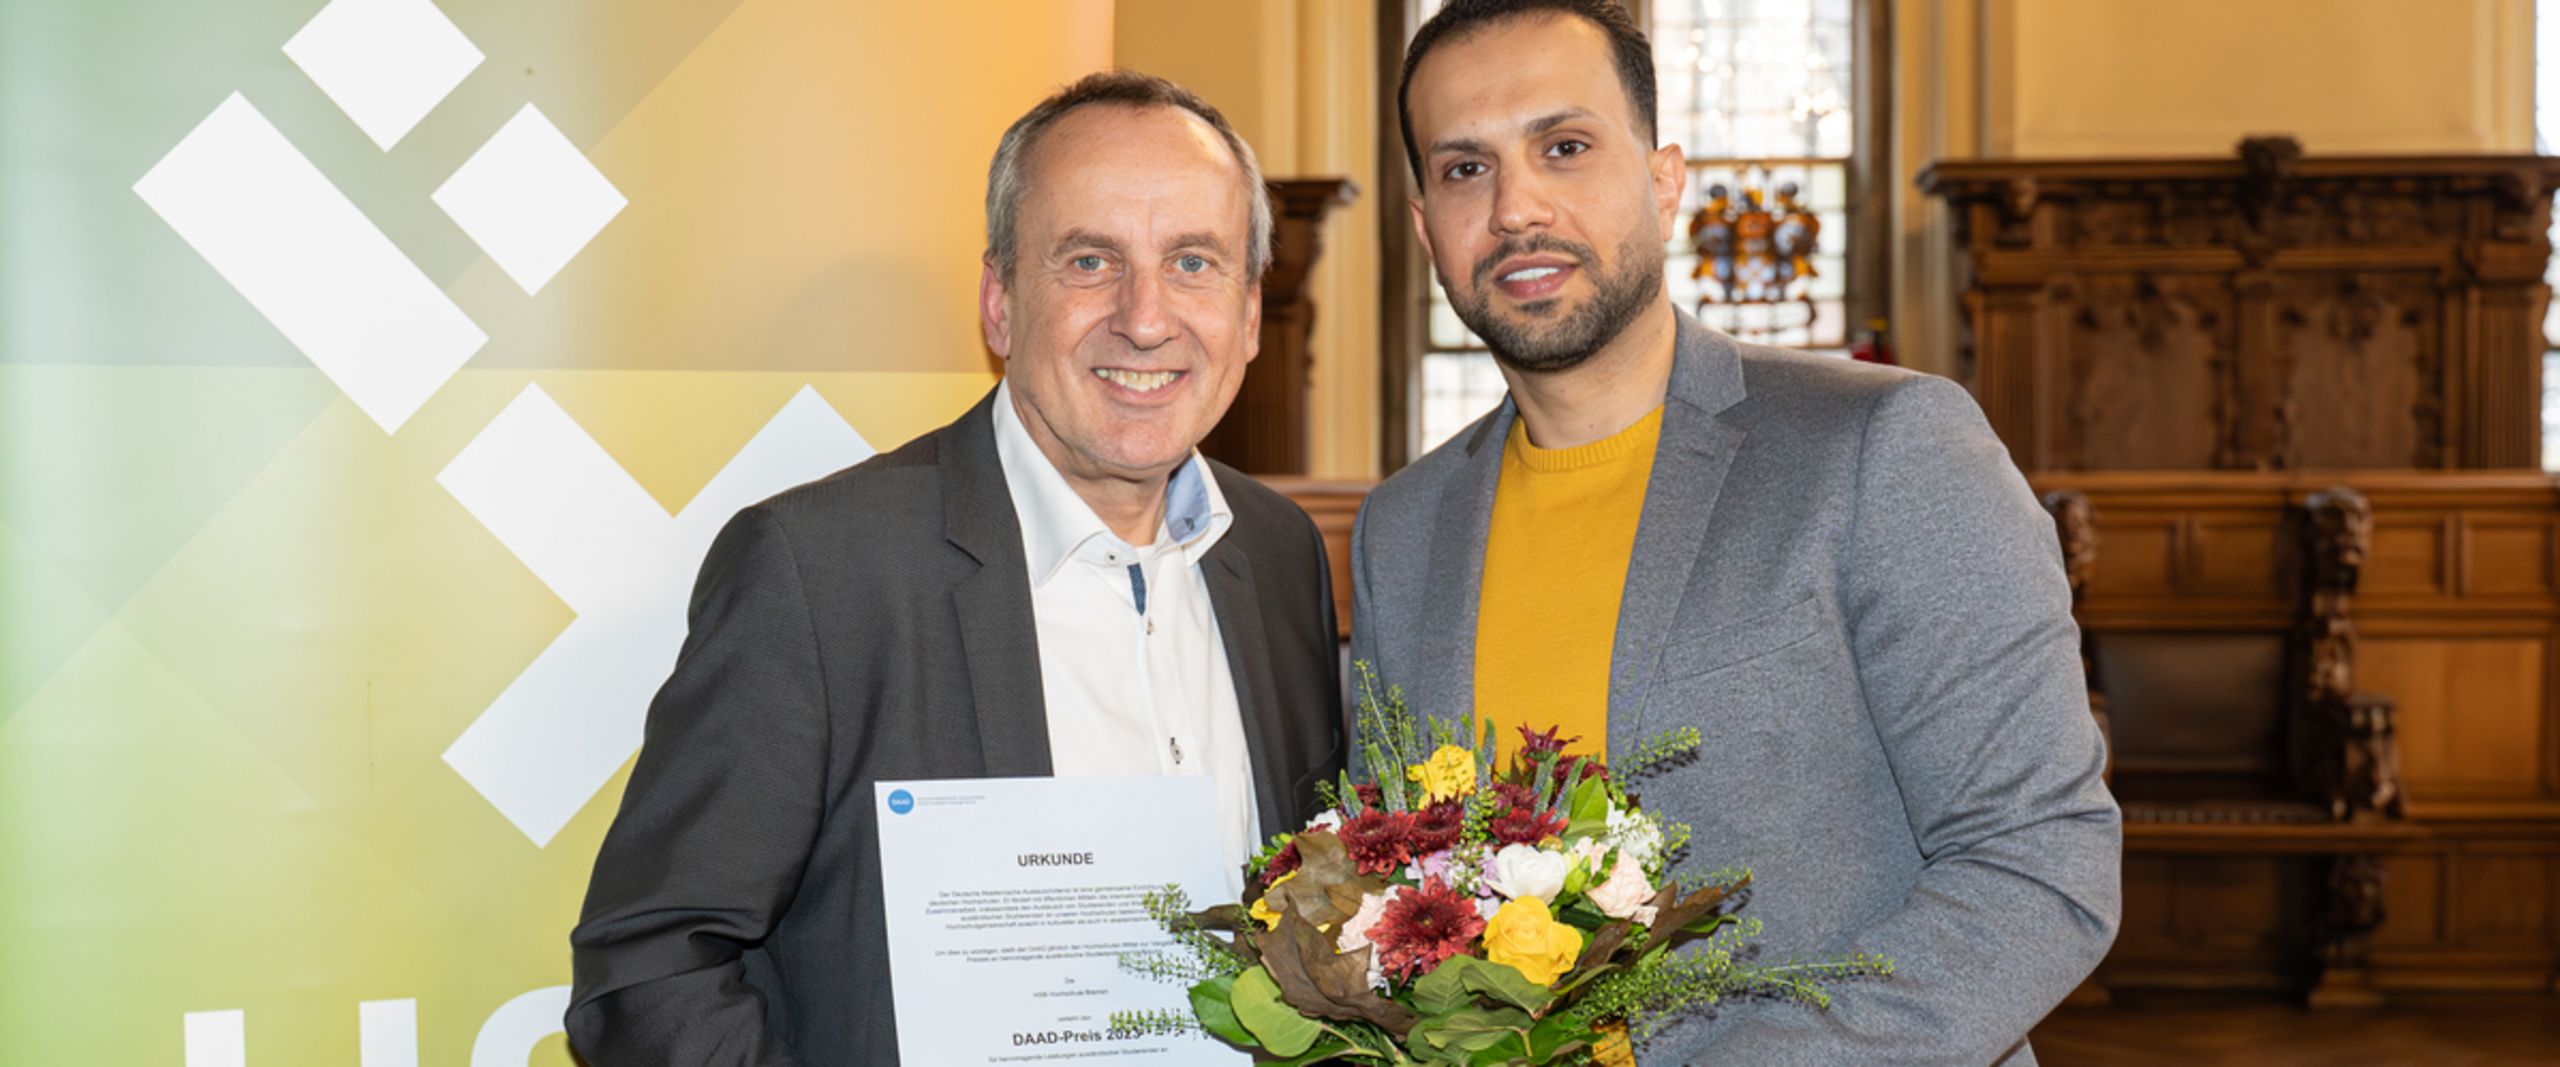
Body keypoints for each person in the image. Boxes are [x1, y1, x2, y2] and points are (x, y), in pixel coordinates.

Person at [1351, 2, 2120, 1063]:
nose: (1516, 205)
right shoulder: (1403, 530)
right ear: (1424, 220)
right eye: (1464, 169)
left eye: (1564, 148)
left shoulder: (1880, 446)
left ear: (1664, 181)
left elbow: (2042, 858)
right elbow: (1396, 892)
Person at [566, 70, 1346, 1065]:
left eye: (1192, 261)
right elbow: (650, 969)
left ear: (1246, 312)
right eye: (1088, 260)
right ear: (1000, 303)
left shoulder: (1277, 557)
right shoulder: (820, 572)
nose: (1145, 317)